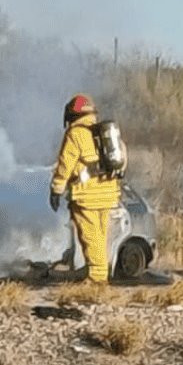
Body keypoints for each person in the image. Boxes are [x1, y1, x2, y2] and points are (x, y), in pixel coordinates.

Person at [49, 93, 123, 283]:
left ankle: (97, 278)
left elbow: (65, 164)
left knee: (90, 236)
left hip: (86, 195)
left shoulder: (75, 134)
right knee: (100, 235)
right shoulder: (104, 133)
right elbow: (122, 157)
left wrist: (57, 189)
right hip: (108, 192)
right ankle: (98, 270)